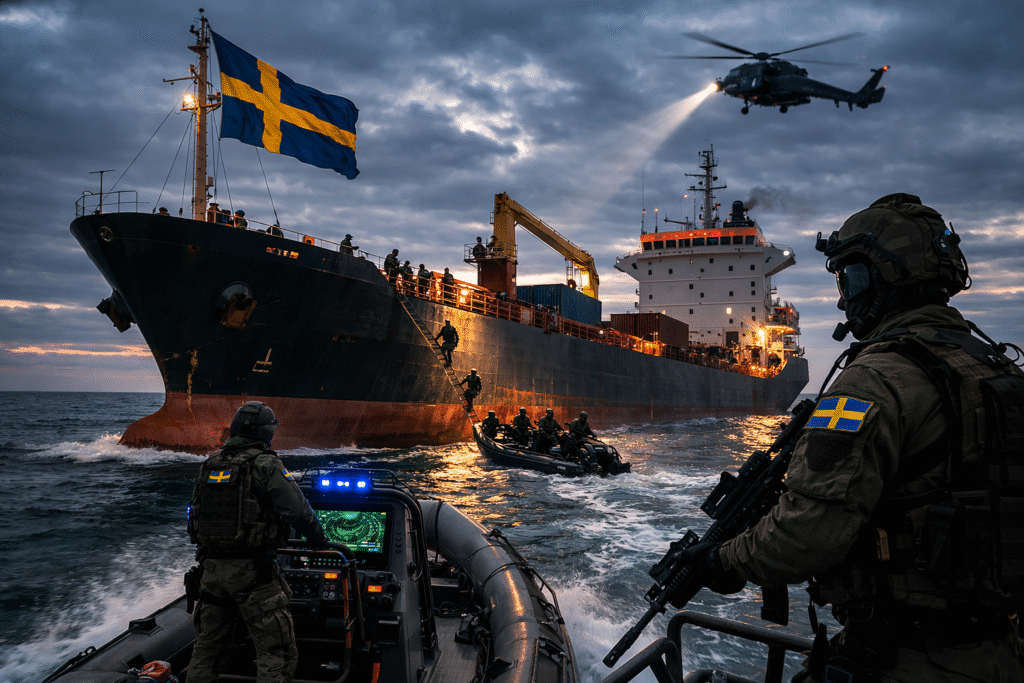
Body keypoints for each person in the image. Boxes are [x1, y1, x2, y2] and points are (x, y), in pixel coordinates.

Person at [678, 194, 1024, 683]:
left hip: (906, 658)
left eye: (850, 278)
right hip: (1001, 650)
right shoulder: (996, 366)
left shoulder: (876, 379)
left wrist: (720, 559)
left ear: (883, 277)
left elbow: (805, 536)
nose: (844, 299)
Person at [187, 401, 329, 683]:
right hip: (253, 574)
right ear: (266, 433)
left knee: (206, 651)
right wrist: (319, 541)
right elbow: (298, 511)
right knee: (277, 652)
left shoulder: (209, 464)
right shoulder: (266, 464)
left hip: (211, 571)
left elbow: (193, 514)